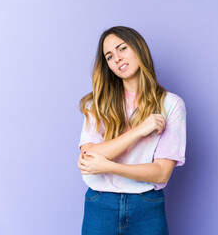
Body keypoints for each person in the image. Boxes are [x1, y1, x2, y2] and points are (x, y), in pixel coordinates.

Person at [77, 26, 187, 235]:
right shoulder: (96, 104)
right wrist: (139, 130)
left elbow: (161, 172)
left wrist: (108, 166)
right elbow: (88, 159)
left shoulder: (172, 105)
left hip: (146, 205)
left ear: (138, 49)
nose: (117, 58)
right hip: (100, 203)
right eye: (109, 56)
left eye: (122, 48)